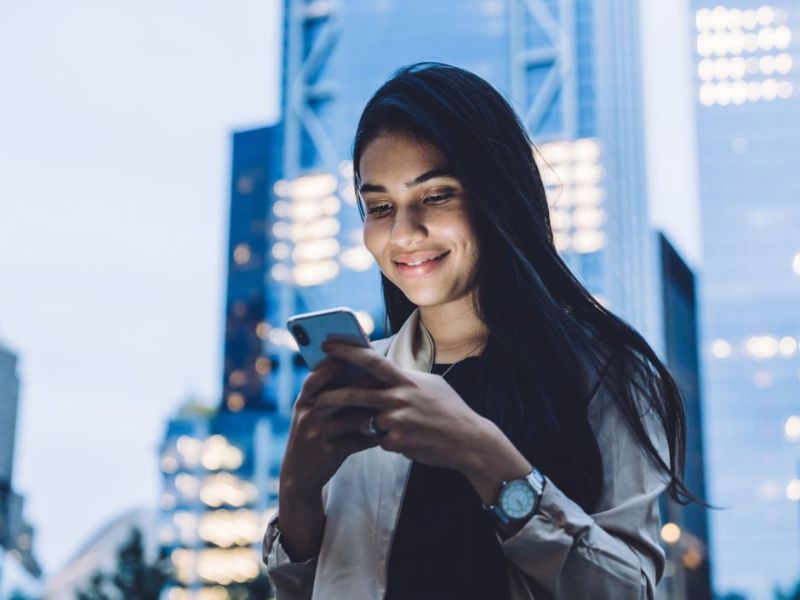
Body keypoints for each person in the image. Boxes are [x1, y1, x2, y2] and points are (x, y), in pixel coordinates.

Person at [263, 62, 697, 599]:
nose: (404, 233)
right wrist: (297, 492)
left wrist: (486, 456)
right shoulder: (364, 385)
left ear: (496, 193)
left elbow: (631, 593)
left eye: (437, 195)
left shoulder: (609, 375)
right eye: (379, 206)